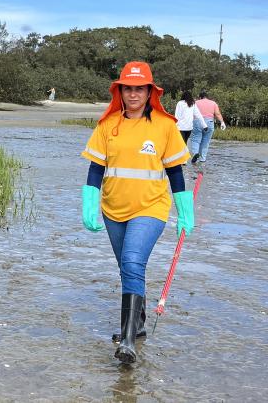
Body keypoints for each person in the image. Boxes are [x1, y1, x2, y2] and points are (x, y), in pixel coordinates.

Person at [80, 61, 195, 365]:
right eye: (127, 88)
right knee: (128, 268)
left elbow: (176, 173)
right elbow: (95, 169)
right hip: (113, 209)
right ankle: (139, 323)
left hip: (151, 208)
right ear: (120, 91)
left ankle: (128, 340)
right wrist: (90, 203)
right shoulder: (108, 125)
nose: (133, 94)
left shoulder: (164, 125)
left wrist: (185, 209)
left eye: (139, 88)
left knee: (132, 261)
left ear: (149, 92)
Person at [189, 90, 226, 164]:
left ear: (200, 97)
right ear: (207, 97)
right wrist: (222, 122)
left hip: (197, 122)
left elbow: (190, 113)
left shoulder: (195, 103)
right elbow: (217, 114)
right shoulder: (213, 103)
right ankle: (203, 159)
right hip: (209, 123)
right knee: (205, 142)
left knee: (195, 139)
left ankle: (195, 153)